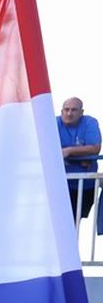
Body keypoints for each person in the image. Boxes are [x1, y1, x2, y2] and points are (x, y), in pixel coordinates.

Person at [57, 97, 100, 226]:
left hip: (84, 186)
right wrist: (82, 154)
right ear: (61, 111)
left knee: (73, 224)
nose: (69, 113)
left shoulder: (89, 123)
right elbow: (46, 148)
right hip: (60, 185)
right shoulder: (53, 123)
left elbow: (95, 148)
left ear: (81, 112)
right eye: (66, 110)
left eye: (74, 110)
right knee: (57, 222)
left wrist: (69, 151)